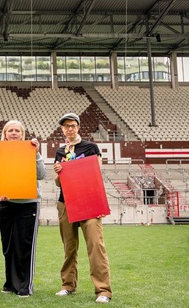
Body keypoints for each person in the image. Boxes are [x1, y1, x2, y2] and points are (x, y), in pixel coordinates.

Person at [52, 113, 112, 304]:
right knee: (69, 248)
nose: (69, 129)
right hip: (66, 203)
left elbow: (97, 175)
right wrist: (58, 173)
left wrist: (100, 203)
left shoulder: (91, 147)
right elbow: (58, 183)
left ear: (78, 127)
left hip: (89, 203)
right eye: (66, 126)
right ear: (62, 129)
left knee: (96, 246)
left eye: (72, 125)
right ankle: (68, 285)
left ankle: (103, 290)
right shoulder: (60, 151)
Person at [0, 120, 46, 297]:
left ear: (22, 134)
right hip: (6, 203)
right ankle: (10, 284)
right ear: (4, 134)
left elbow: (41, 175)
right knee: (8, 246)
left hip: (28, 204)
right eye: (10, 130)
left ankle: (24, 286)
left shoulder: (31, 150)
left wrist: (37, 154)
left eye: (17, 130)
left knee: (24, 246)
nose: (13, 133)